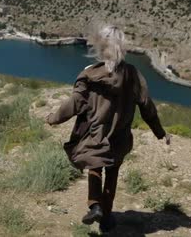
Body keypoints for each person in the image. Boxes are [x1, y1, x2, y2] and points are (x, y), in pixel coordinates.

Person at [45, 24, 171, 233]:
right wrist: (160, 132)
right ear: (123, 48)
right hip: (120, 137)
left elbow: (75, 103)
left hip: (96, 135)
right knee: (112, 173)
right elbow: (147, 107)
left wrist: (53, 118)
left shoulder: (89, 74)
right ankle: (106, 217)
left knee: (95, 167)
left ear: (100, 47)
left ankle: (95, 205)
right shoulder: (133, 74)